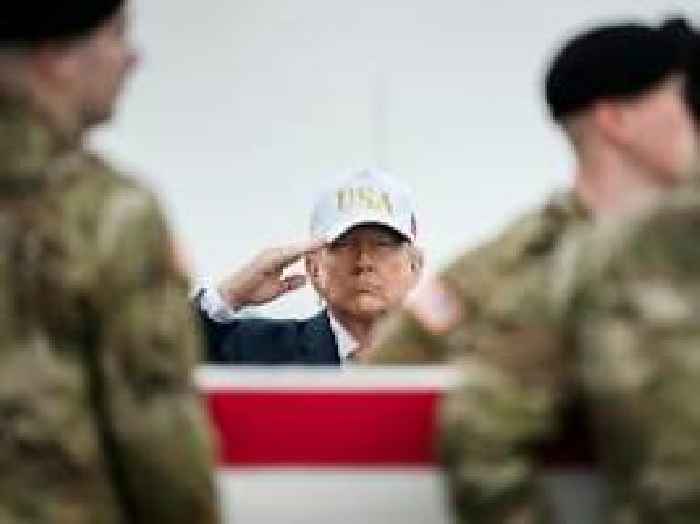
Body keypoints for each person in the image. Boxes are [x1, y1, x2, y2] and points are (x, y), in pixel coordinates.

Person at [362, 18, 700, 522]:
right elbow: (386, 387)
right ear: (616, 121)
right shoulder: (511, 265)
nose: (693, 116)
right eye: (681, 98)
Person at [0, 2, 218, 522]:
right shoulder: (111, 215)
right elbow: (156, 437)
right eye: (116, 34)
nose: (131, 58)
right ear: (55, 55)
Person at [195, 168, 423, 364]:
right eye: (344, 244)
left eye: (382, 244)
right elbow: (177, 356)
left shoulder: (439, 361)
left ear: (415, 266)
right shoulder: (258, 351)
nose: (364, 262)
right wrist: (230, 296)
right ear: (313, 268)